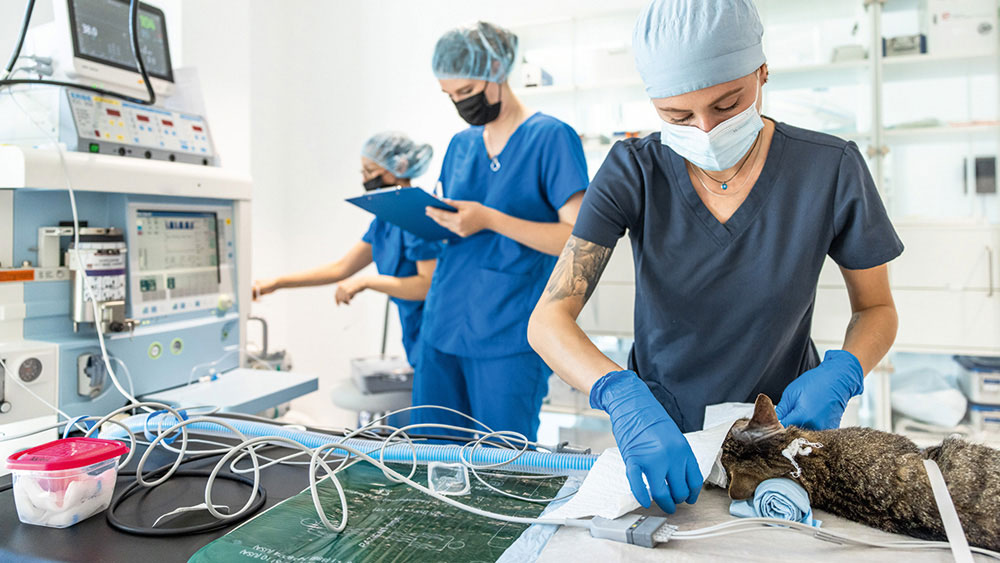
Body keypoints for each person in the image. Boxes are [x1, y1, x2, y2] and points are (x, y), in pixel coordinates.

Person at [528, 0, 903, 515]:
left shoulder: (830, 169)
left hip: (781, 436)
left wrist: (846, 369)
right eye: (677, 116)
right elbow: (548, 319)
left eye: (727, 105)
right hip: (664, 433)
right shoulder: (634, 172)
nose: (704, 130)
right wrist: (618, 394)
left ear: (762, 72)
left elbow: (876, 309)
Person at [413, 21, 589, 442]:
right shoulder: (460, 144)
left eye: (467, 92)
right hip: (444, 320)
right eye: (450, 96)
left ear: (496, 70)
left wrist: (489, 218)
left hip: (509, 331)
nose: (460, 103)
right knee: (431, 455)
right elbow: (457, 219)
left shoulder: (551, 137)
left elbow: (576, 241)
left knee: (503, 466)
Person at [253, 132, 441, 369]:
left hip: (437, 329)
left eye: (370, 171)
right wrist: (276, 283)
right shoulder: (386, 220)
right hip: (415, 328)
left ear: (397, 168)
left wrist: (366, 283)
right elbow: (341, 268)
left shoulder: (416, 215)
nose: (364, 179)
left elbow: (425, 286)